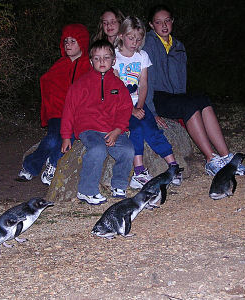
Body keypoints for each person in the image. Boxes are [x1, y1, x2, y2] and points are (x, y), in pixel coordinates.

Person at [143, 4, 245, 176]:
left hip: (174, 96)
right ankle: (210, 159)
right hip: (156, 97)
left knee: (202, 99)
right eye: (158, 22)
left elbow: (181, 80)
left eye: (167, 21)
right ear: (151, 25)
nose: (163, 25)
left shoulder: (178, 46)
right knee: (188, 106)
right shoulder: (147, 44)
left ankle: (226, 156)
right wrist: (152, 111)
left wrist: (182, 102)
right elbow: (145, 80)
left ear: (172, 22)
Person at [61, 39, 134, 205]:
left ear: (113, 60)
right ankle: (86, 191)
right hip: (89, 128)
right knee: (97, 150)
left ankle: (119, 185)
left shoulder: (118, 84)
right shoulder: (80, 84)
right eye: (97, 58)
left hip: (112, 129)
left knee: (128, 150)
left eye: (106, 58)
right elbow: (69, 109)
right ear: (91, 60)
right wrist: (66, 136)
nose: (102, 62)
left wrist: (118, 130)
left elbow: (125, 108)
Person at [18, 24, 91, 185]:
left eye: (73, 41)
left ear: (82, 42)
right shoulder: (59, 65)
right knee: (52, 138)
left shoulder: (89, 65)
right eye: (66, 41)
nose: (68, 45)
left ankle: (52, 164)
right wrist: (50, 109)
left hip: (77, 115)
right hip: (58, 112)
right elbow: (48, 85)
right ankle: (30, 166)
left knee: (66, 138)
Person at [113, 16, 181, 189]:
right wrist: (131, 110)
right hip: (121, 106)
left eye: (138, 38)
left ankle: (173, 165)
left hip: (138, 104)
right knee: (136, 130)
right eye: (131, 38)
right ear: (121, 35)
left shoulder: (142, 56)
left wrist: (140, 106)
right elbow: (115, 88)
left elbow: (143, 84)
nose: (135, 42)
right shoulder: (114, 56)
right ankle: (139, 171)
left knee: (152, 129)